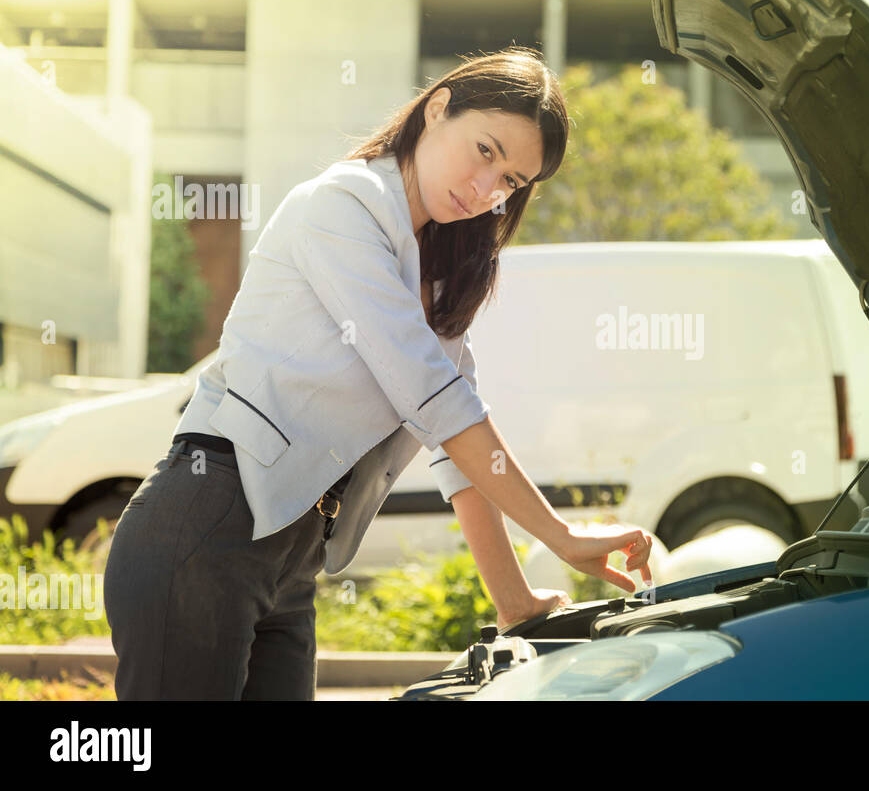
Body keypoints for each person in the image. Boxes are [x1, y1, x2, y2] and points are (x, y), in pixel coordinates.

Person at [103, 46, 653, 701]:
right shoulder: (343, 205)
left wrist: (517, 601)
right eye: (485, 151)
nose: (487, 190)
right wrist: (559, 534)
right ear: (437, 107)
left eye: (510, 181)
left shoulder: (438, 275)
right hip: (206, 522)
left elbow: (458, 450)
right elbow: (436, 401)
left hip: (291, 560)